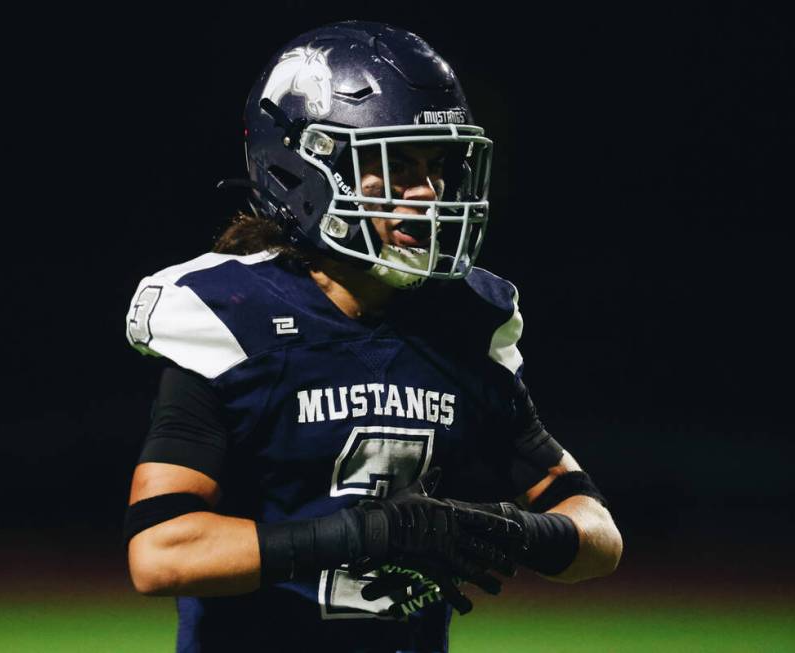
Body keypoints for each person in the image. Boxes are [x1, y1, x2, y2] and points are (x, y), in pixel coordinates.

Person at [123, 20, 622, 653]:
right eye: (392, 166)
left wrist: (506, 529)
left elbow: (598, 537)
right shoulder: (234, 315)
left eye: (436, 164)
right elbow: (161, 553)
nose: (428, 193)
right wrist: (368, 534)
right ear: (298, 172)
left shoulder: (465, 321)